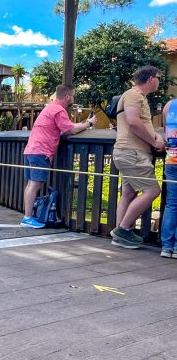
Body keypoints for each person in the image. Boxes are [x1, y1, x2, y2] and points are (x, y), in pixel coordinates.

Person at [21, 84, 96, 228]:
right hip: (41, 151)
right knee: (35, 184)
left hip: (32, 149)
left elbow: (64, 127)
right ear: (67, 96)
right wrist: (88, 123)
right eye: (73, 96)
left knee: (31, 183)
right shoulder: (58, 110)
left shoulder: (50, 108)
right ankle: (27, 218)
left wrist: (82, 124)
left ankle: (27, 216)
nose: (73, 98)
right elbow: (70, 129)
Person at [111, 66, 165, 249]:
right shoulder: (134, 95)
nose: (159, 81)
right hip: (132, 153)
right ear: (151, 79)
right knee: (152, 191)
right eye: (159, 78)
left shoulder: (136, 96)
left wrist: (155, 136)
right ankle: (123, 230)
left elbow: (140, 124)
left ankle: (119, 236)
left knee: (128, 193)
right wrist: (154, 141)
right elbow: (133, 122)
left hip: (129, 152)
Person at [160, 96, 177, 258]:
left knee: (172, 203)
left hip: (172, 159)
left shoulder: (169, 105)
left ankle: (167, 247)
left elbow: (166, 130)